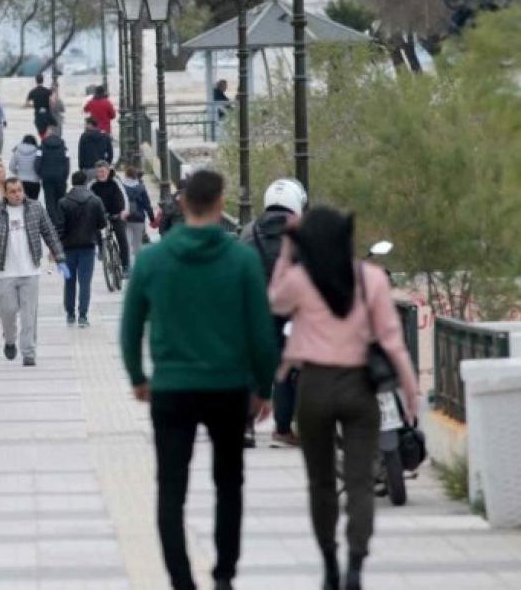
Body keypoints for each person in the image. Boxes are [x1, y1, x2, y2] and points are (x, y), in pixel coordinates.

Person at [120, 169, 279, 590]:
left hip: (172, 388)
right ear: (221, 203)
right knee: (229, 482)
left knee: (171, 487)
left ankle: (181, 581)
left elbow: (130, 325)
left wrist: (138, 376)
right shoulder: (242, 259)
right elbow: (262, 331)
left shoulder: (152, 260)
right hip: (229, 388)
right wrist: (264, 388)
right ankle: (224, 574)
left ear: (183, 203)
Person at [269, 206, 419, 590]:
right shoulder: (371, 279)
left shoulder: (301, 280)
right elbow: (392, 341)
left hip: (314, 386)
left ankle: (328, 562)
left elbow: (275, 302)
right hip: (359, 388)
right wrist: (410, 391)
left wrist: (286, 251)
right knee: (360, 483)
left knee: (320, 482)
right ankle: (355, 564)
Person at [240, 178, 308, 448]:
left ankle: (246, 427)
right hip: (290, 310)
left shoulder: (249, 232)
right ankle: (282, 428)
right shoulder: (302, 234)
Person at [0, 178, 67, 367]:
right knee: (7, 310)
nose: (17, 194)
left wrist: (60, 257)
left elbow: (49, 232)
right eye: (13, 191)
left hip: (30, 270)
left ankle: (29, 352)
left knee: (29, 314)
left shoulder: (35, 208)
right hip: (5, 271)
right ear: (6, 194)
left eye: (19, 190)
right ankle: (9, 339)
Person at [57, 171, 106, 328]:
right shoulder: (95, 200)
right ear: (86, 182)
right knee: (85, 283)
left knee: (69, 281)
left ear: (72, 183)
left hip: (68, 248)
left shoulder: (63, 202)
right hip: (88, 247)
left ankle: (70, 314)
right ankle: (83, 316)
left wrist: (56, 247)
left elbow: (60, 227)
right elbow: (102, 224)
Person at [89, 161, 131, 277]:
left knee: (122, 237)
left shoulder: (115, 181)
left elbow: (125, 197)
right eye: (98, 172)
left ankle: (126, 266)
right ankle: (101, 248)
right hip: (100, 214)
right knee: (94, 228)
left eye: (103, 171)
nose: (101, 174)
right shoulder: (92, 185)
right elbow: (87, 199)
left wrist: (125, 210)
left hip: (117, 212)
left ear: (108, 171)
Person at [121, 167, 156, 267]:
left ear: (126, 175)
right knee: (137, 244)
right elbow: (147, 205)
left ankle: (127, 266)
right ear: (136, 176)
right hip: (139, 218)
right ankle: (138, 266)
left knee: (127, 243)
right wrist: (152, 219)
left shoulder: (122, 187)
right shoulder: (141, 188)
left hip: (126, 218)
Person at [36, 126, 70, 227]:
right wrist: (65, 176)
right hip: (61, 178)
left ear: (48, 134)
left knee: (50, 201)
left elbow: (37, 163)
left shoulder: (41, 146)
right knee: (61, 199)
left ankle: (53, 222)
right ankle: (61, 220)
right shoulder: (64, 147)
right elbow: (67, 163)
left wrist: (41, 174)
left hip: (47, 178)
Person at [78, 117, 114, 181]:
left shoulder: (84, 137)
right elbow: (110, 153)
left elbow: (81, 154)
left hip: (88, 168)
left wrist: (81, 168)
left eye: (86, 124)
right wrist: (107, 164)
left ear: (90, 124)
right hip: (102, 168)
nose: (85, 126)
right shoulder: (105, 136)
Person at [9, 135, 41, 200]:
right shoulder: (38, 151)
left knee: (22, 202)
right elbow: (40, 165)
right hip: (34, 182)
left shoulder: (17, 150)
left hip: (20, 181)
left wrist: (18, 173)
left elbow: (11, 166)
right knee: (33, 203)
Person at [25, 74, 56, 139]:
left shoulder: (32, 92)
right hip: (47, 115)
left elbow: (26, 104)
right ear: (43, 81)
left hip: (38, 116)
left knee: (42, 135)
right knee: (49, 133)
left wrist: (34, 106)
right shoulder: (47, 91)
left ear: (36, 81)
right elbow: (53, 102)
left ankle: (44, 142)